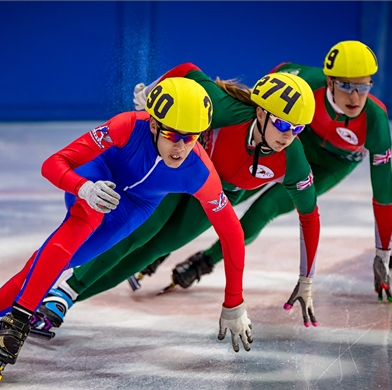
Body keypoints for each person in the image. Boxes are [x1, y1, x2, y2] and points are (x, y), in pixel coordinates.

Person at [0, 77, 253, 385]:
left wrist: (234, 303)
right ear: (155, 124)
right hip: (97, 174)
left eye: (192, 137)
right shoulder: (127, 126)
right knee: (84, 220)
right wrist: (83, 188)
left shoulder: (198, 172)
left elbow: (232, 233)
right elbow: (53, 164)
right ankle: (19, 319)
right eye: (173, 134)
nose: (181, 146)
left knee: (56, 262)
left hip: (136, 204)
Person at [28, 64, 321, 340]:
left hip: (217, 193)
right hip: (180, 170)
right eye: (283, 124)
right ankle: (55, 291)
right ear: (260, 112)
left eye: (298, 129)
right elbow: (189, 71)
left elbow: (309, 215)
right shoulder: (228, 110)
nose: (288, 135)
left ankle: (65, 297)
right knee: (139, 234)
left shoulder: (293, 160)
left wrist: (306, 279)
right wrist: (154, 92)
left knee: (152, 250)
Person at [130, 40, 392, 303]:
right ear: (329, 82)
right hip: (286, 142)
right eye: (346, 86)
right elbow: (271, 87)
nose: (354, 96)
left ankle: (205, 261)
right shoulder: (306, 84)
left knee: (265, 209)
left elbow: (383, 194)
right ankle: (162, 249)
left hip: (330, 165)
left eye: (363, 87)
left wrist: (382, 253)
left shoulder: (375, 120)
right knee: (229, 191)